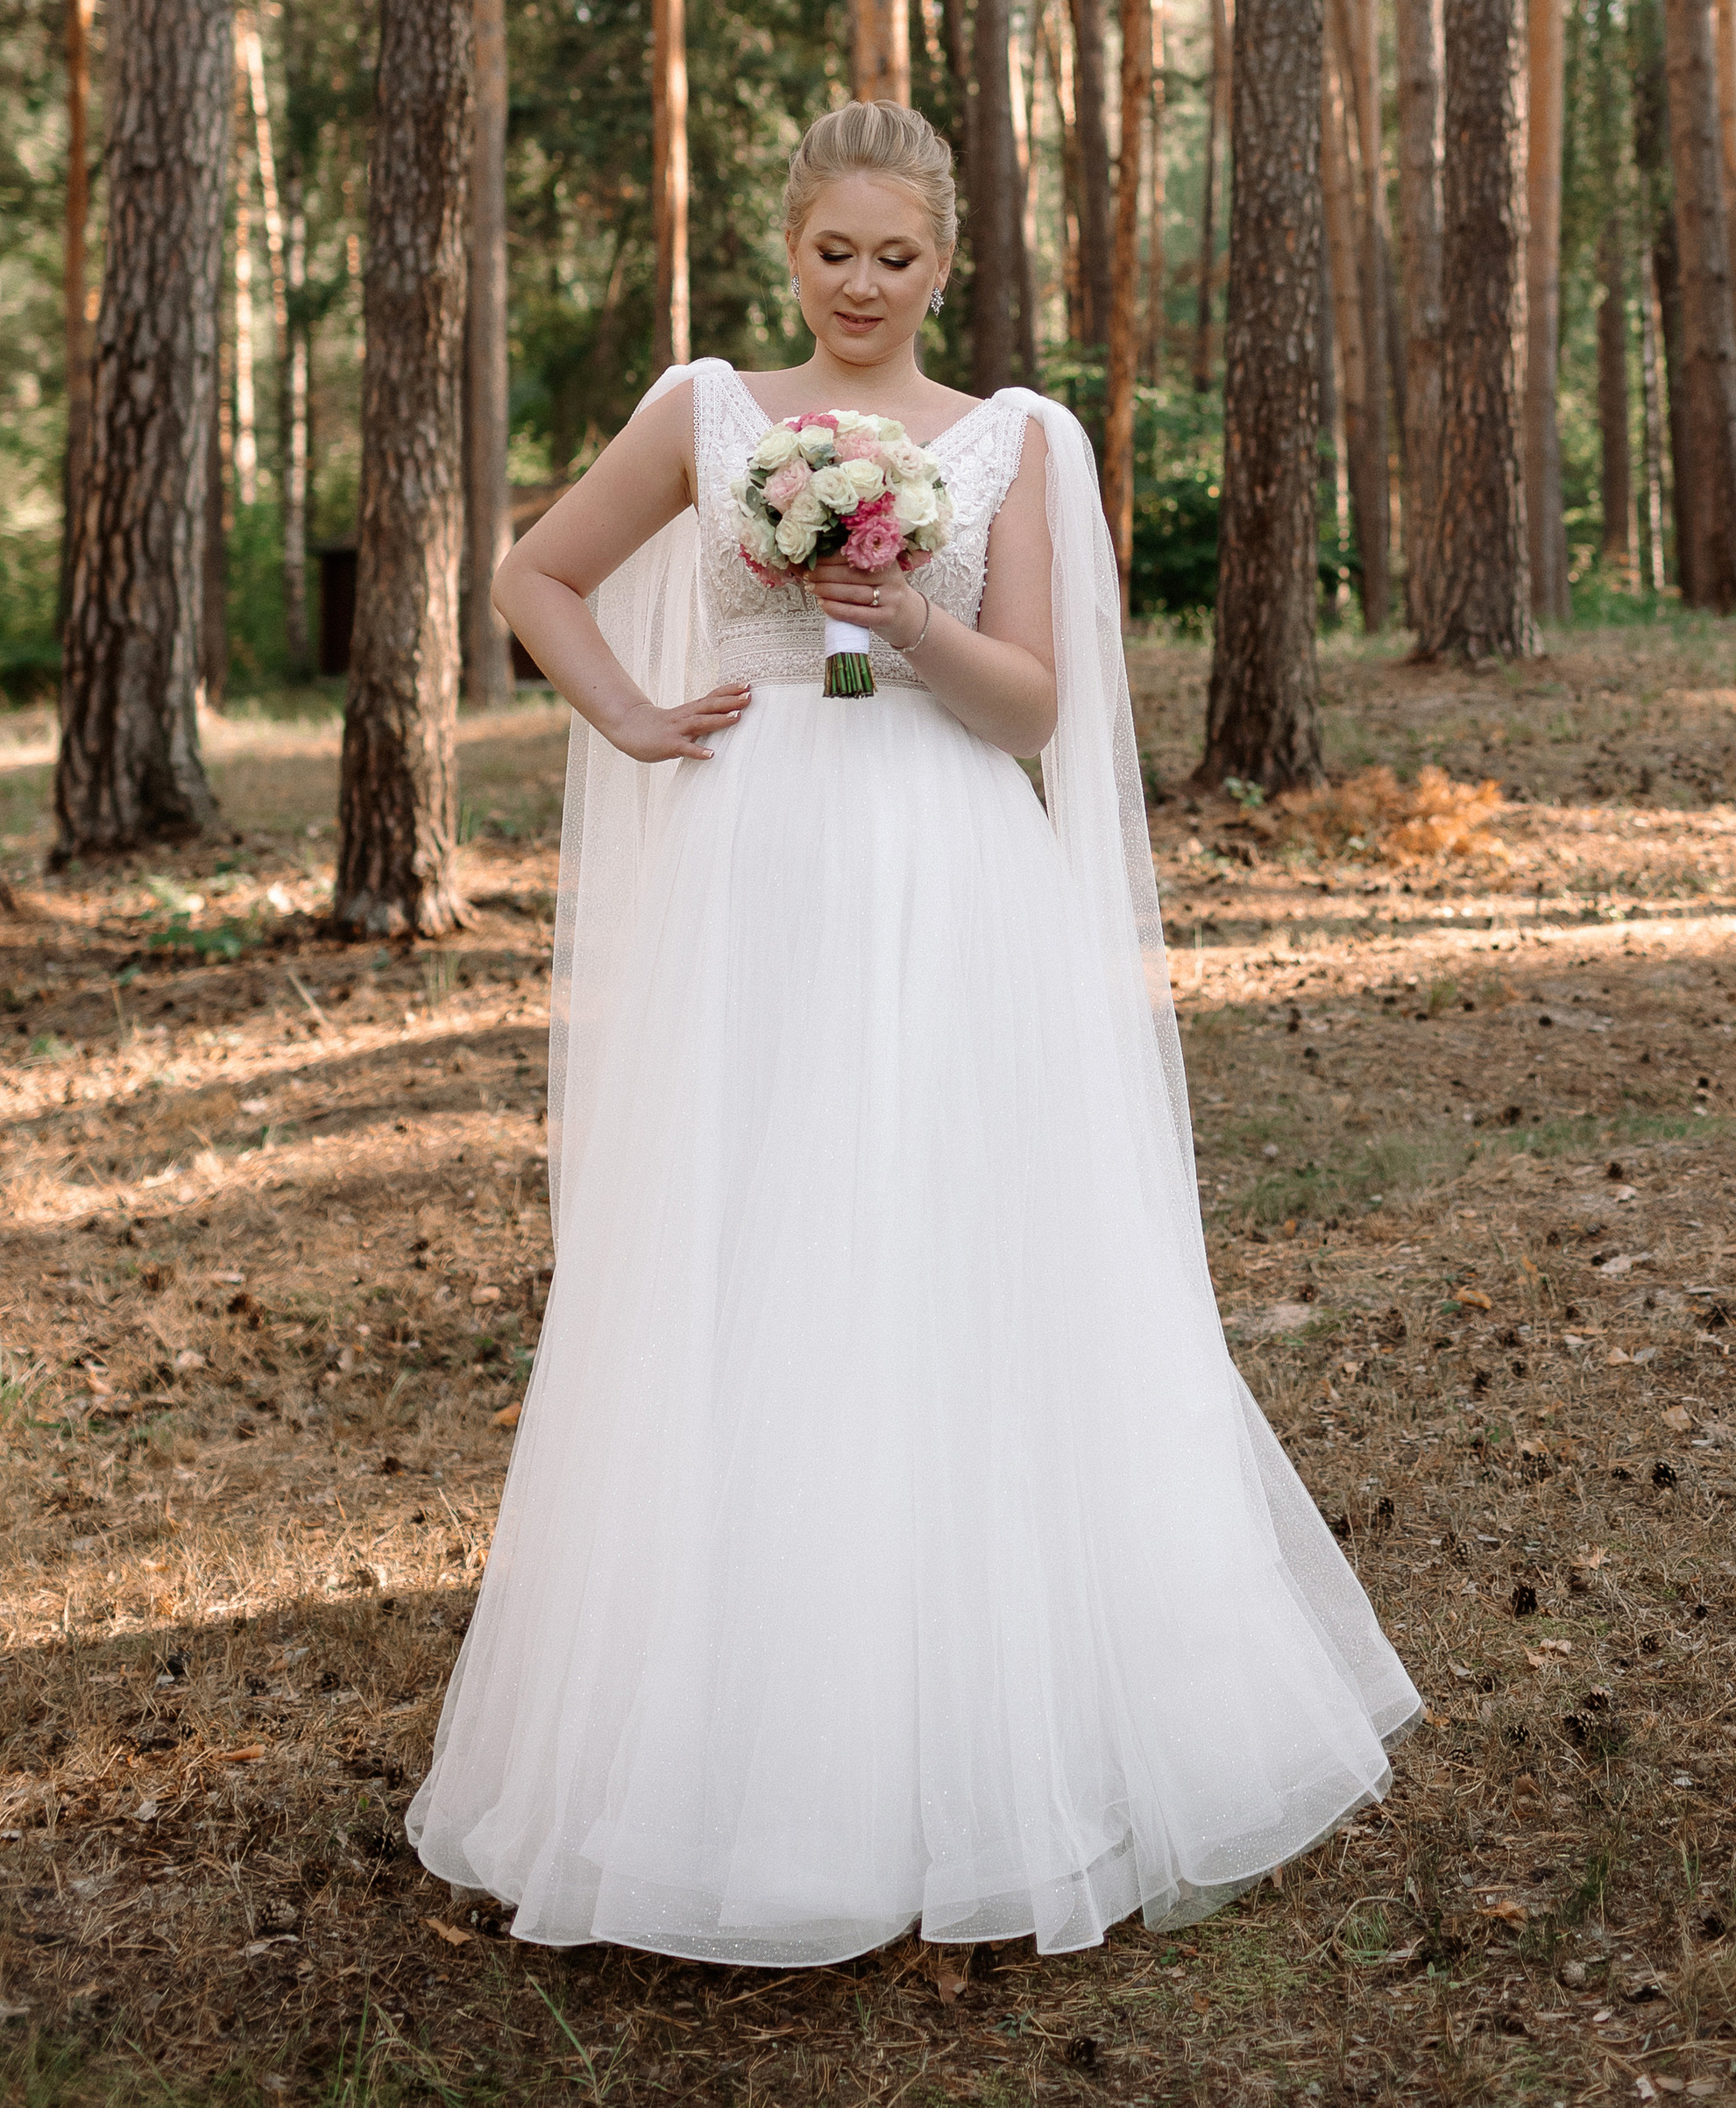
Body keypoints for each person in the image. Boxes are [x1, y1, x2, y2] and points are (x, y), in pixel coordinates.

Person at [406, 101, 1417, 1966]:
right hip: (758, 864)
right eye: (831, 252)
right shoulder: (709, 414)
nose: (861, 287)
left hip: (948, 871)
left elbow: (1034, 706)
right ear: (785, 247)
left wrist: (894, 612)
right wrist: (632, 714)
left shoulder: (1016, 439)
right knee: (756, 1245)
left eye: (897, 257)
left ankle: (996, 1733)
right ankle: (729, 1745)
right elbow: (530, 576)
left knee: (959, 1250)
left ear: (945, 263)